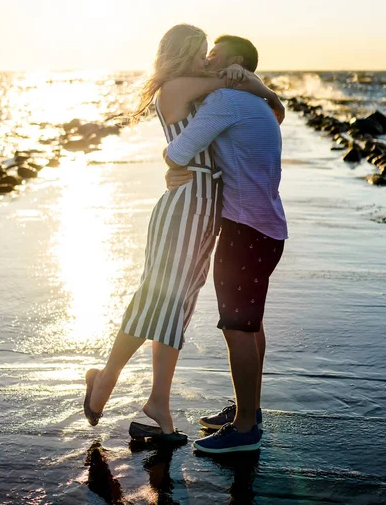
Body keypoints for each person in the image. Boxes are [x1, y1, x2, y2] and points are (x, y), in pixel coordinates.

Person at [83, 24, 284, 443]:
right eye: (202, 51)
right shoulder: (176, 86)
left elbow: (260, 107)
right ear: (186, 53)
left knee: (177, 307)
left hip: (208, 206)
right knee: (157, 298)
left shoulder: (210, 90)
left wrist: (254, 85)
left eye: (212, 54)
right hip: (188, 202)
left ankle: (158, 404)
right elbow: (229, 94)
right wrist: (248, 80)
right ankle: (106, 379)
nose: (208, 59)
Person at [164, 34, 288, 453]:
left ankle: (246, 428)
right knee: (251, 326)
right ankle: (246, 408)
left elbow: (178, 151)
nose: (208, 57)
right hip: (269, 229)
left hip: (244, 231)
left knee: (237, 328)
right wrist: (256, 84)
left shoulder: (225, 102)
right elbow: (279, 111)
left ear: (236, 61)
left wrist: (171, 168)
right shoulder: (259, 103)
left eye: (215, 52)